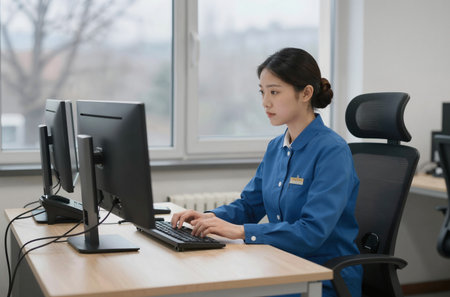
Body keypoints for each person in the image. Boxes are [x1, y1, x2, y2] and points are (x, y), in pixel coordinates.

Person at [171, 47, 362, 297]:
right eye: (262, 92)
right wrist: (206, 218)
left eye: (274, 92)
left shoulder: (332, 151)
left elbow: (311, 232)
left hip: (323, 278)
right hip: (282, 265)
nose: (265, 102)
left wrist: (241, 232)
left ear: (305, 93)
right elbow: (249, 205)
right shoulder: (276, 147)